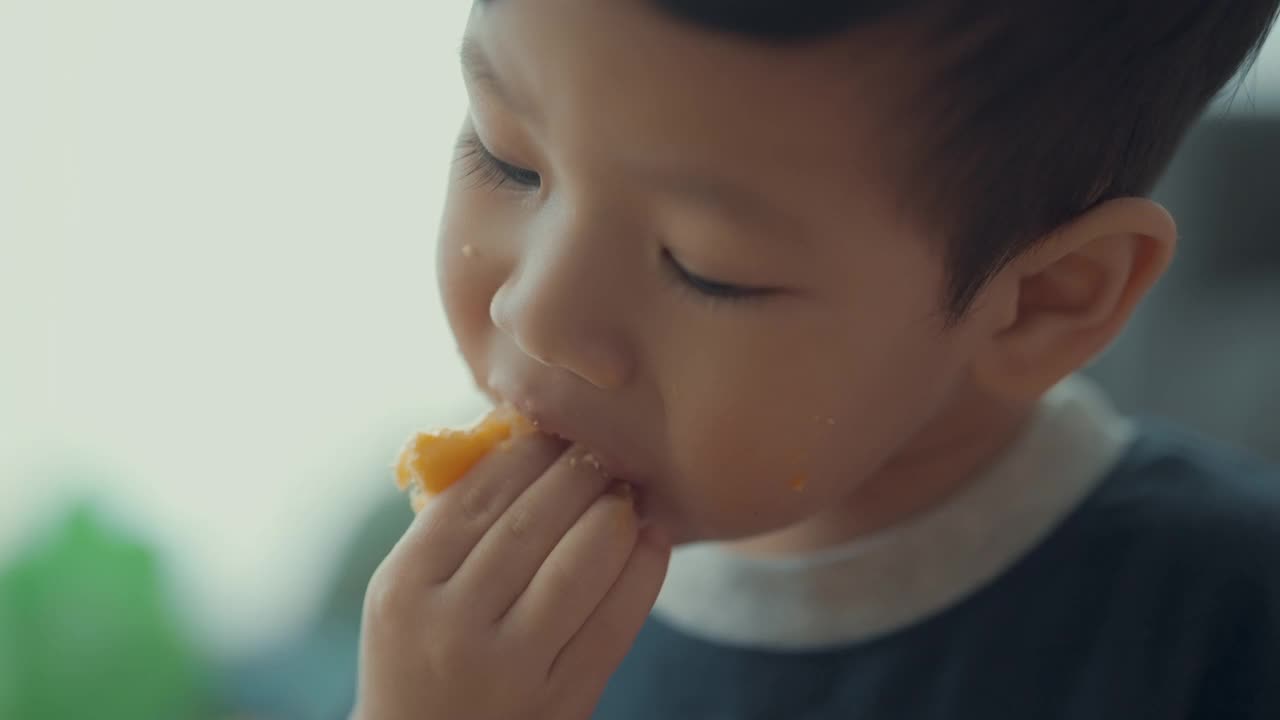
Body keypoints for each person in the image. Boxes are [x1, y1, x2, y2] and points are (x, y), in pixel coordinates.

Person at [352, 1, 1280, 718]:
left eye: (706, 267)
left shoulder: (1223, 631)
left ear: (1040, 302)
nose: (537, 311)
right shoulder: (452, 649)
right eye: (507, 158)